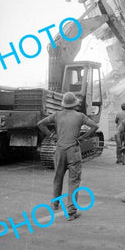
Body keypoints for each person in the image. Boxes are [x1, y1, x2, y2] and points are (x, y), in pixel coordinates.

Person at [37, 92, 99, 221]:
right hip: (73, 150)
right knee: (74, 180)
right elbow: (95, 126)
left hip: (60, 149)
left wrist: (52, 136)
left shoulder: (57, 115)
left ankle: (55, 203)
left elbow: (40, 124)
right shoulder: (80, 116)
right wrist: (82, 137)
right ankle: (71, 211)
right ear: (75, 104)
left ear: (64, 103)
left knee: (58, 177)